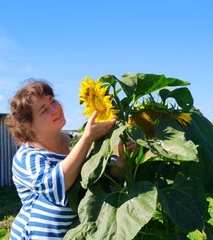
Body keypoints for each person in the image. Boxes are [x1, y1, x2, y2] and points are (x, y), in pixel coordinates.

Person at [5, 79, 136, 239]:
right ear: (29, 126)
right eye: (44, 110)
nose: (54, 109)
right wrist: (87, 139)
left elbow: (103, 175)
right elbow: (54, 185)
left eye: (52, 101)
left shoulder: (75, 140)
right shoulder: (27, 157)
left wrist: (122, 157)